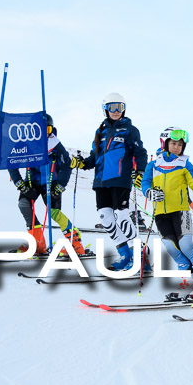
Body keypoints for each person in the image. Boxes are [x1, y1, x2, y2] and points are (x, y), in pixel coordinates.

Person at [141, 128, 193, 301]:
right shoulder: (154, 164)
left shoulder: (184, 163)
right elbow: (145, 182)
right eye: (173, 143)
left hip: (180, 212)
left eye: (180, 144)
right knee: (173, 249)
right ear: (165, 144)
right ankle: (187, 284)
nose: (177, 147)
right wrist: (149, 192)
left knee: (186, 246)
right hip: (160, 213)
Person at [71, 93, 149, 272]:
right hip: (101, 181)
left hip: (120, 179)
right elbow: (94, 157)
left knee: (122, 217)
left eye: (120, 107)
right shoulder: (100, 132)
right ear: (105, 109)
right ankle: (125, 254)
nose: (116, 111)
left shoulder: (130, 130)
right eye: (112, 107)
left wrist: (141, 171)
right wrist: (82, 163)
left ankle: (141, 255)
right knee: (106, 219)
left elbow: (141, 153)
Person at [8, 114, 85, 256]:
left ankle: (75, 243)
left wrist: (60, 186)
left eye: (47, 129)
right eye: (39, 130)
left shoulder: (55, 145)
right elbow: (12, 163)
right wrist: (20, 185)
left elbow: (67, 166)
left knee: (54, 213)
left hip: (52, 183)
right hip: (32, 183)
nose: (44, 133)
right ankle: (38, 244)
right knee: (24, 205)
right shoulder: (25, 143)